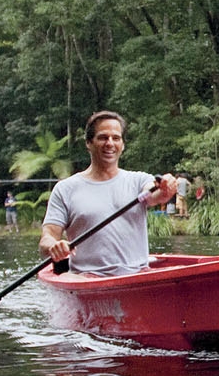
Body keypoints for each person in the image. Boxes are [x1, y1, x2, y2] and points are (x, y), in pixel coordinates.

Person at [39, 111, 176, 276]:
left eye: (116, 138)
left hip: (136, 275)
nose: (110, 143)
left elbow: (155, 195)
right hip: (87, 278)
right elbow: (47, 238)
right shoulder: (65, 189)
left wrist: (165, 187)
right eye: (103, 137)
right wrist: (54, 246)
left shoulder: (140, 180)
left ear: (122, 145)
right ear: (89, 143)